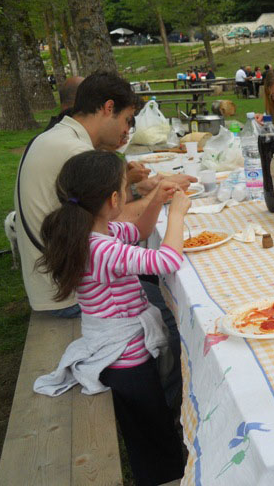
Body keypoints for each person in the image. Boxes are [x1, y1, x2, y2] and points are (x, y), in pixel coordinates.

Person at [33, 150, 188, 486]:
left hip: (121, 353)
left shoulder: (97, 231)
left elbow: (140, 230)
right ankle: (165, 476)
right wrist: (177, 214)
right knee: (151, 434)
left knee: (146, 428)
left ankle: (161, 464)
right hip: (127, 361)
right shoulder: (100, 248)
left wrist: (156, 201)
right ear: (115, 198)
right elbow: (166, 262)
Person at [15, 71, 196, 318]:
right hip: (69, 293)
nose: (126, 130)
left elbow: (116, 218)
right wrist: (160, 200)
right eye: (127, 120)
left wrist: (146, 192)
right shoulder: (76, 152)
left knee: (153, 283)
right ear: (109, 108)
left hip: (58, 276)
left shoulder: (58, 137)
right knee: (174, 306)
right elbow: (116, 215)